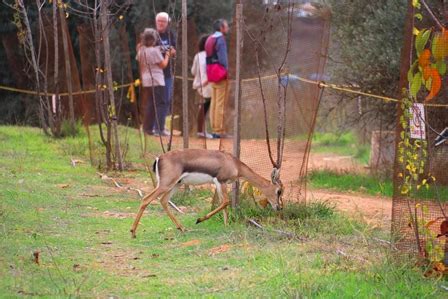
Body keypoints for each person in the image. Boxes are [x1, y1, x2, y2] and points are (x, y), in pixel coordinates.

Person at [136, 28, 173, 136]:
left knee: (151, 103)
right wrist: (167, 55)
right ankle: (160, 129)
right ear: (154, 39)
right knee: (161, 104)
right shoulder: (155, 51)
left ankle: (147, 128)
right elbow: (163, 65)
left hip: (146, 79)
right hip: (157, 79)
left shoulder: (141, 50)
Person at [205, 19, 230, 139]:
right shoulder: (220, 40)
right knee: (220, 103)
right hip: (220, 73)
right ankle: (218, 130)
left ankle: (214, 129)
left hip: (211, 73)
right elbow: (223, 58)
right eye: (226, 26)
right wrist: (226, 70)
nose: (228, 28)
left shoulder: (209, 39)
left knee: (214, 102)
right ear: (221, 27)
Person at [155, 12, 176, 136]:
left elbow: (174, 49)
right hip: (155, 73)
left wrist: (172, 52)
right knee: (156, 100)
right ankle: (154, 127)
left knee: (166, 100)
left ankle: (161, 127)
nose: (161, 23)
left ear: (167, 23)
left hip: (167, 74)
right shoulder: (152, 35)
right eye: (159, 21)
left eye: (163, 21)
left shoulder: (170, 34)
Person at [192, 35, 213, 139]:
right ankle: (201, 131)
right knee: (204, 107)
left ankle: (201, 130)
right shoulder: (210, 55)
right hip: (207, 85)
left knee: (202, 107)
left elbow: (193, 71)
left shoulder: (197, 56)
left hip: (198, 85)